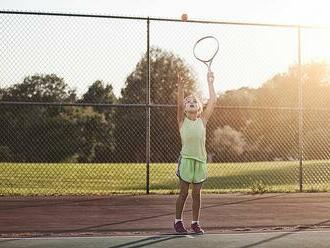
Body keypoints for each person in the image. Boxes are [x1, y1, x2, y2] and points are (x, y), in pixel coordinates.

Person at [174, 70, 216, 234]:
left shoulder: (203, 120)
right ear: (184, 108)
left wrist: (210, 83)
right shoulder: (181, 120)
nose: (191, 102)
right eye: (188, 101)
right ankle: (178, 222)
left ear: (199, 108)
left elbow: (212, 101)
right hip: (186, 160)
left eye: (194, 101)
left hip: (200, 161)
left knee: (197, 194)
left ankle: (195, 223)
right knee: (183, 193)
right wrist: (180, 88)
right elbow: (178, 103)